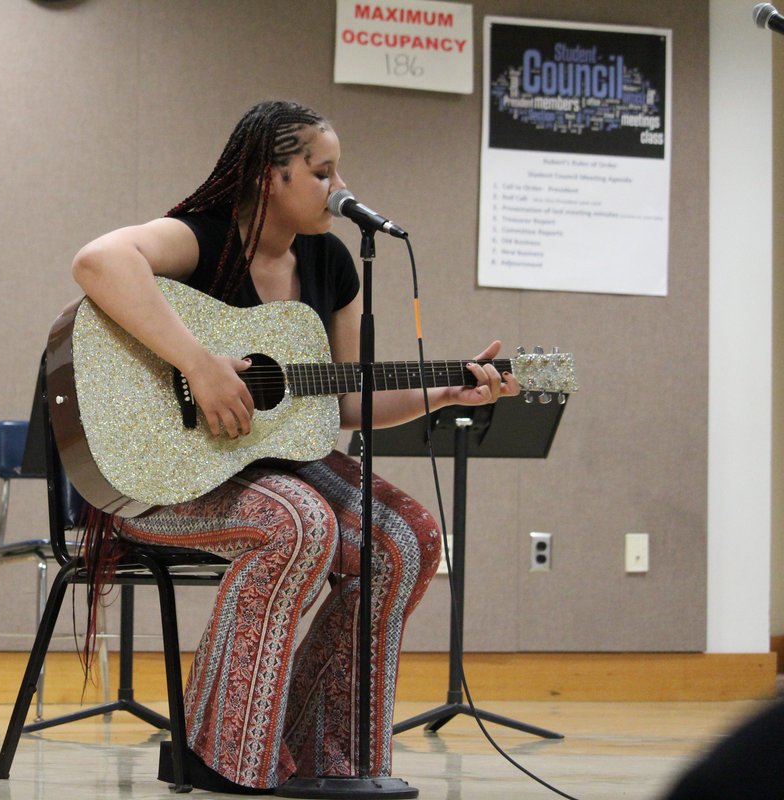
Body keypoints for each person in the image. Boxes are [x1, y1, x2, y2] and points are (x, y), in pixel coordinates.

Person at [70, 99, 518, 793]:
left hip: (273, 467)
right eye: (322, 172)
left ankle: (322, 750)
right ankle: (218, 752)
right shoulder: (203, 237)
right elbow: (98, 261)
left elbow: (346, 401)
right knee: (299, 522)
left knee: (406, 538)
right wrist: (198, 364)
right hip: (156, 477)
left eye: (338, 171)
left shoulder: (330, 261)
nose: (340, 188)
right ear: (268, 177)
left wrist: (444, 392)